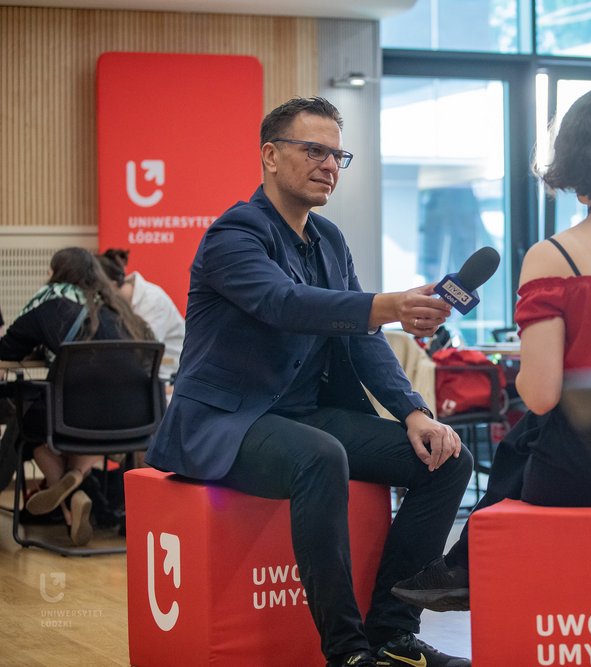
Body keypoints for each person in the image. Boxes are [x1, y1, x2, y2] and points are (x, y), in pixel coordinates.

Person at [143, 97, 473, 667]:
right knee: (319, 457)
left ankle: (391, 637)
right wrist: (388, 304)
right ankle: (348, 654)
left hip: (303, 415)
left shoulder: (330, 240)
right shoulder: (233, 234)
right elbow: (284, 303)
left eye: (337, 155)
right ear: (271, 156)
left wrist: (415, 412)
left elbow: (362, 339)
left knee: (447, 460)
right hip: (226, 422)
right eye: (314, 150)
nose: (329, 165)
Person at [391, 85, 591, 613]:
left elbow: (541, 395)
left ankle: (466, 568)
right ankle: (463, 569)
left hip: (586, 462)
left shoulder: (556, 256)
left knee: (532, 433)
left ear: (573, 158)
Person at [0, 247, 154, 545]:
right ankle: (76, 487)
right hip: (133, 423)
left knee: (31, 425)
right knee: (89, 420)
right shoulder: (118, 309)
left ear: (55, 273)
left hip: (77, 420)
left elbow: (7, 349)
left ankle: (68, 491)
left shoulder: (49, 302)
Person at [99, 248, 185, 381]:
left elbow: (145, 352)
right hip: (147, 374)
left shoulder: (152, 300)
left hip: (171, 374)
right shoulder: (119, 302)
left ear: (112, 286)